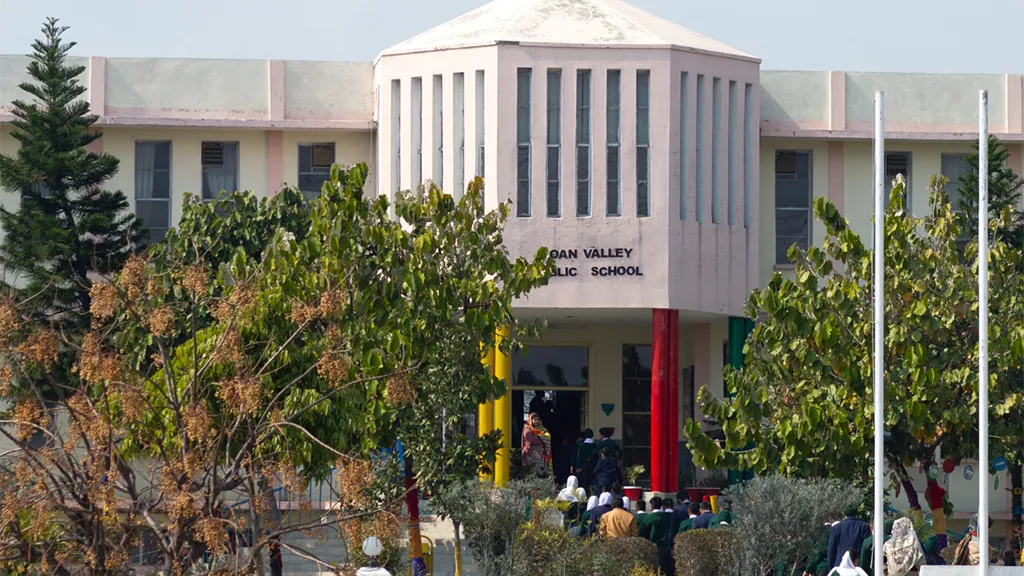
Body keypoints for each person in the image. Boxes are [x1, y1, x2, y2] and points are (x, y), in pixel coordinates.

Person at [521, 412, 551, 478]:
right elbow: (529, 438)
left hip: (541, 456)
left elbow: (548, 437)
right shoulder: (527, 429)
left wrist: (539, 438)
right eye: (535, 420)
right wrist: (541, 440)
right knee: (531, 474)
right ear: (530, 420)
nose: (537, 421)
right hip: (530, 455)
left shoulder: (542, 429)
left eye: (538, 420)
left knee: (541, 474)